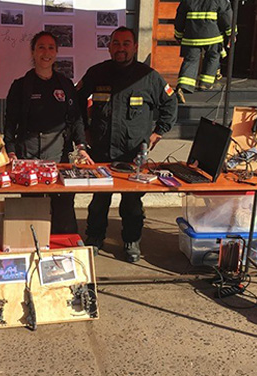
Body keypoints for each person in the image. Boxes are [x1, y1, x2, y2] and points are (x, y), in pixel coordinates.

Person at [76, 27, 178, 262]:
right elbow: (76, 102)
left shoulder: (149, 77)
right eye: (116, 43)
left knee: (132, 204)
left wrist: (157, 133)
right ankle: (94, 238)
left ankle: (131, 242)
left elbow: (170, 104)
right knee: (98, 202)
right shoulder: (96, 73)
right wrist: (86, 131)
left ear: (134, 47)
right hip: (101, 150)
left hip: (134, 154)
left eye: (126, 43)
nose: (121, 48)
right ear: (109, 46)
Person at [3, 31, 93, 234]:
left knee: (63, 204)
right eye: (41, 47)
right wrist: (10, 151)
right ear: (33, 52)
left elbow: (77, 119)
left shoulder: (66, 85)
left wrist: (81, 147)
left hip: (59, 154)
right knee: (31, 206)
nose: (46, 52)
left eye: (51, 48)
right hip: (28, 153)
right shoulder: (20, 86)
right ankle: (32, 245)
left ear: (57, 52)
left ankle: (64, 248)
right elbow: (10, 123)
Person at [173, 0, 233, 103]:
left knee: (191, 60)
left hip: (191, 36)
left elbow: (180, 17)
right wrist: (231, 33)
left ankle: (183, 87)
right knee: (213, 56)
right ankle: (205, 84)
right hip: (212, 36)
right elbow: (226, 16)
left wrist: (178, 35)